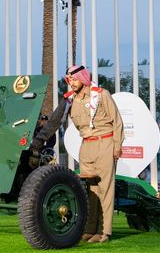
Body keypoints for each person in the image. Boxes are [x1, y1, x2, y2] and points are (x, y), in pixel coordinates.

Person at [33, 65, 124, 243]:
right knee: (89, 190)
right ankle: (90, 230)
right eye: (69, 80)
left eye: (74, 79)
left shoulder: (101, 94)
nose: (71, 83)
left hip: (105, 143)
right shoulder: (69, 100)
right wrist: (39, 140)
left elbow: (117, 121)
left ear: (83, 78)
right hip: (86, 147)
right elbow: (53, 122)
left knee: (105, 190)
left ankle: (104, 232)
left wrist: (117, 146)